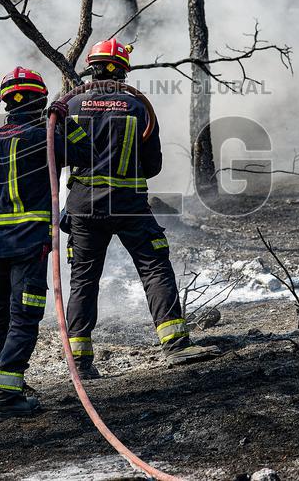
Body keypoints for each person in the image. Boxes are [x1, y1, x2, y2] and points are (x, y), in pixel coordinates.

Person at [64, 38, 219, 379]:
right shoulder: (137, 106)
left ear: (92, 67)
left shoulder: (69, 106)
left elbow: (55, 158)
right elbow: (152, 166)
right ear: (122, 69)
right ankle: (176, 346)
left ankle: (80, 363)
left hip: (82, 207)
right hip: (129, 204)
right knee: (153, 266)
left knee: (83, 279)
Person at [0, 67, 90, 422]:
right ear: (38, 99)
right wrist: (64, 120)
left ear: (6, 101)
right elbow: (86, 152)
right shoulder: (42, 136)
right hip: (30, 241)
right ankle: (6, 397)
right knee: (23, 319)